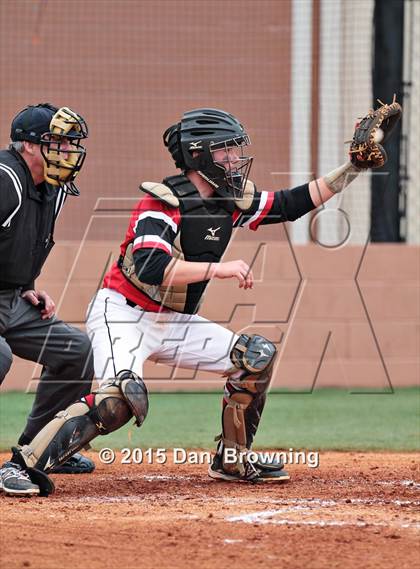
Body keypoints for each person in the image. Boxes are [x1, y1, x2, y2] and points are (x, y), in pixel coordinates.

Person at [12, 107, 364, 494]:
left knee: (255, 358)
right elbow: (150, 265)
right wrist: (217, 269)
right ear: (199, 155)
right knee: (118, 400)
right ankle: (22, 465)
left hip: (170, 320)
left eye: (234, 151)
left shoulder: (229, 200)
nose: (234, 159)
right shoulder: (162, 201)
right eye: (224, 151)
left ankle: (233, 460)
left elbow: (291, 203)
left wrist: (352, 167)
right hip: (123, 313)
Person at [0, 104, 95, 496]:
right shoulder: (5, 178)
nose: (69, 150)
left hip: (10, 297)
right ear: (28, 147)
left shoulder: (52, 189)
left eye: (71, 143)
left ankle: (35, 450)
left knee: (77, 350)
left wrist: (27, 284)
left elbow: (19, 242)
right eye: (58, 142)